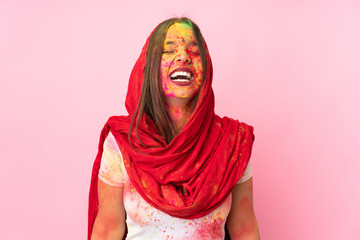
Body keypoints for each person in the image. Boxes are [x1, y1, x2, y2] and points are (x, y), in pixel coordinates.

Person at [88, 17, 260, 240]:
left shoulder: (232, 144)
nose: (183, 56)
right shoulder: (122, 142)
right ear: (149, 67)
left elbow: (244, 229)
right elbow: (107, 231)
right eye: (168, 50)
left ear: (206, 67)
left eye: (194, 51)